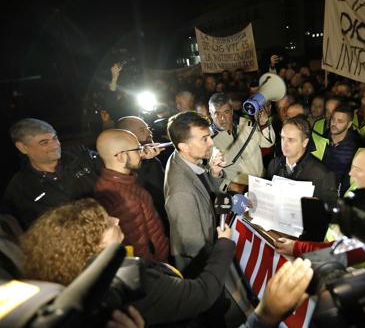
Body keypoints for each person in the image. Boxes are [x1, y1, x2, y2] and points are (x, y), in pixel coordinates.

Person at [19, 198, 235, 327]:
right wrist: (224, 244)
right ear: (90, 246)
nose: (116, 220)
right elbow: (203, 293)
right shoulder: (135, 283)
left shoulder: (76, 280)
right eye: (107, 223)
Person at [2, 118, 102, 229]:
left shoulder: (81, 156)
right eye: (44, 142)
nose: (55, 145)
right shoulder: (20, 189)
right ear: (23, 147)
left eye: (55, 138)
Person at [164, 111, 225, 273]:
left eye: (209, 136)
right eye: (204, 139)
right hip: (200, 268)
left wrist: (214, 173)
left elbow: (203, 192)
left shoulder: (183, 157)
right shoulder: (181, 192)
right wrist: (220, 254)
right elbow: (193, 246)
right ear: (183, 146)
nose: (211, 143)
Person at [95, 129, 169, 262]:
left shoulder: (122, 182)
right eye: (137, 149)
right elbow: (138, 248)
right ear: (121, 156)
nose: (141, 153)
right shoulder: (121, 198)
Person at [208, 93, 274, 193]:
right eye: (217, 114)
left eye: (226, 112)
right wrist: (232, 187)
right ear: (210, 114)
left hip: (262, 183)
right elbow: (208, 175)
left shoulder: (246, 123)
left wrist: (264, 123)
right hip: (238, 193)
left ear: (232, 111)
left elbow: (268, 143)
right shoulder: (206, 139)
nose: (223, 118)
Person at [116, 116, 169, 236]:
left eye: (148, 128)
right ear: (128, 137)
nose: (149, 132)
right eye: (142, 130)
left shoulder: (153, 158)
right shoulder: (124, 170)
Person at [267, 115, 337, 204]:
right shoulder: (273, 164)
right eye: (282, 138)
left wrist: (318, 206)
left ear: (305, 142)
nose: (284, 144)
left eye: (291, 140)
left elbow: (331, 210)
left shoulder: (322, 175)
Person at [322, 106, 361, 196]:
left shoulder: (356, 148)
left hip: (340, 195)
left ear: (349, 125)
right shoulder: (321, 140)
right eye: (333, 119)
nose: (334, 124)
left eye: (340, 121)